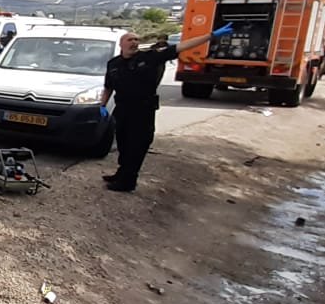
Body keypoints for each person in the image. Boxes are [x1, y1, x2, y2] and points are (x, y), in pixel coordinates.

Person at [98, 24, 234, 192]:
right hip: (122, 109)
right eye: (130, 39)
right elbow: (108, 87)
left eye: (136, 39)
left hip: (142, 111)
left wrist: (210, 36)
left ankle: (128, 182)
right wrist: (102, 105)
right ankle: (122, 172)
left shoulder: (149, 57)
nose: (134, 42)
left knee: (137, 146)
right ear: (122, 44)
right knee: (123, 144)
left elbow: (181, 47)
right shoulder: (113, 64)